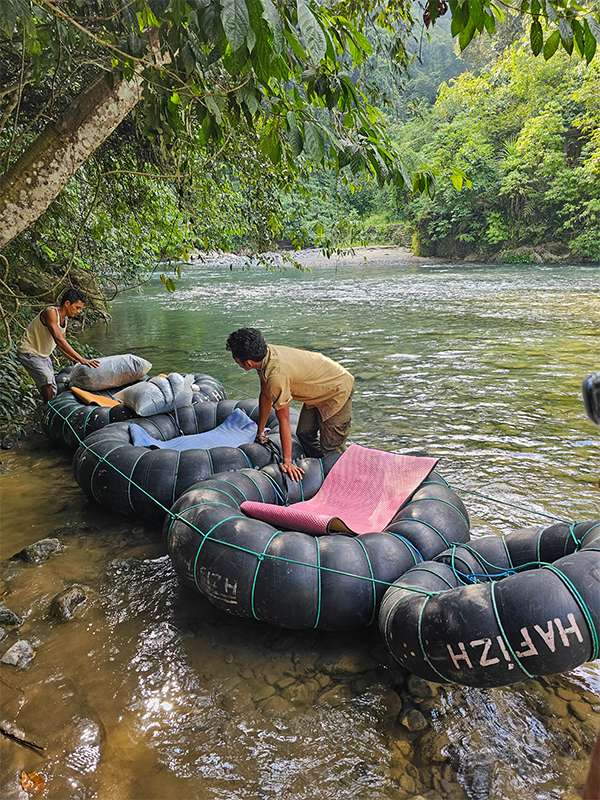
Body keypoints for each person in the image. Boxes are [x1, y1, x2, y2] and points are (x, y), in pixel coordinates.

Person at [226, 328, 354, 481]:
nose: (236, 362)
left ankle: (344, 479)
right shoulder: (265, 356)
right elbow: (265, 395)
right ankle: (319, 471)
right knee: (304, 433)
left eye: (236, 359)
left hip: (336, 389)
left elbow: (284, 420)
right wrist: (260, 431)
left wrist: (287, 462)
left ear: (247, 363)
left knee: (331, 449)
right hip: (316, 389)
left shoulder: (276, 376)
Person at [17, 288, 99, 402]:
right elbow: (59, 339)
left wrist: (76, 361)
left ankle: (44, 406)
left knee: (52, 389)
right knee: (47, 382)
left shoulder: (64, 320)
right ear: (67, 303)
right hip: (29, 353)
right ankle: (48, 412)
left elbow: (60, 346)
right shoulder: (51, 313)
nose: (79, 311)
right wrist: (81, 359)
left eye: (81, 309)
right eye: (77, 307)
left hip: (44, 356)